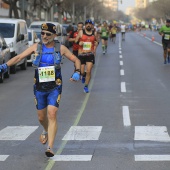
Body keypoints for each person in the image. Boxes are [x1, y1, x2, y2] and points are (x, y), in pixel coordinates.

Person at [0, 23, 81, 157]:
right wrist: (5, 66)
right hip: (39, 87)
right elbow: (19, 57)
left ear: (54, 35)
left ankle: (50, 147)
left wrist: (77, 72)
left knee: (52, 113)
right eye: (42, 33)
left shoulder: (60, 48)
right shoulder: (36, 47)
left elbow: (76, 60)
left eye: (48, 34)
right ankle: (45, 129)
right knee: (41, 117)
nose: (44, 36)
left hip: (55, 86)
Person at [75, 19, 98, 93]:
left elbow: (96, 41)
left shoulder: (94, 33)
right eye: (87, 23)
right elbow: (76, 41)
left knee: (89, 71)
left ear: (91, 25)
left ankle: (86, 86)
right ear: (85, 25)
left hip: (90, 54)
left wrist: (95, 47)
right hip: (82, 54)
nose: (88, 25)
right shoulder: (81, 32)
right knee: (82, 72)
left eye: (89, 24)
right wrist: (80, 42)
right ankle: (83, 75)